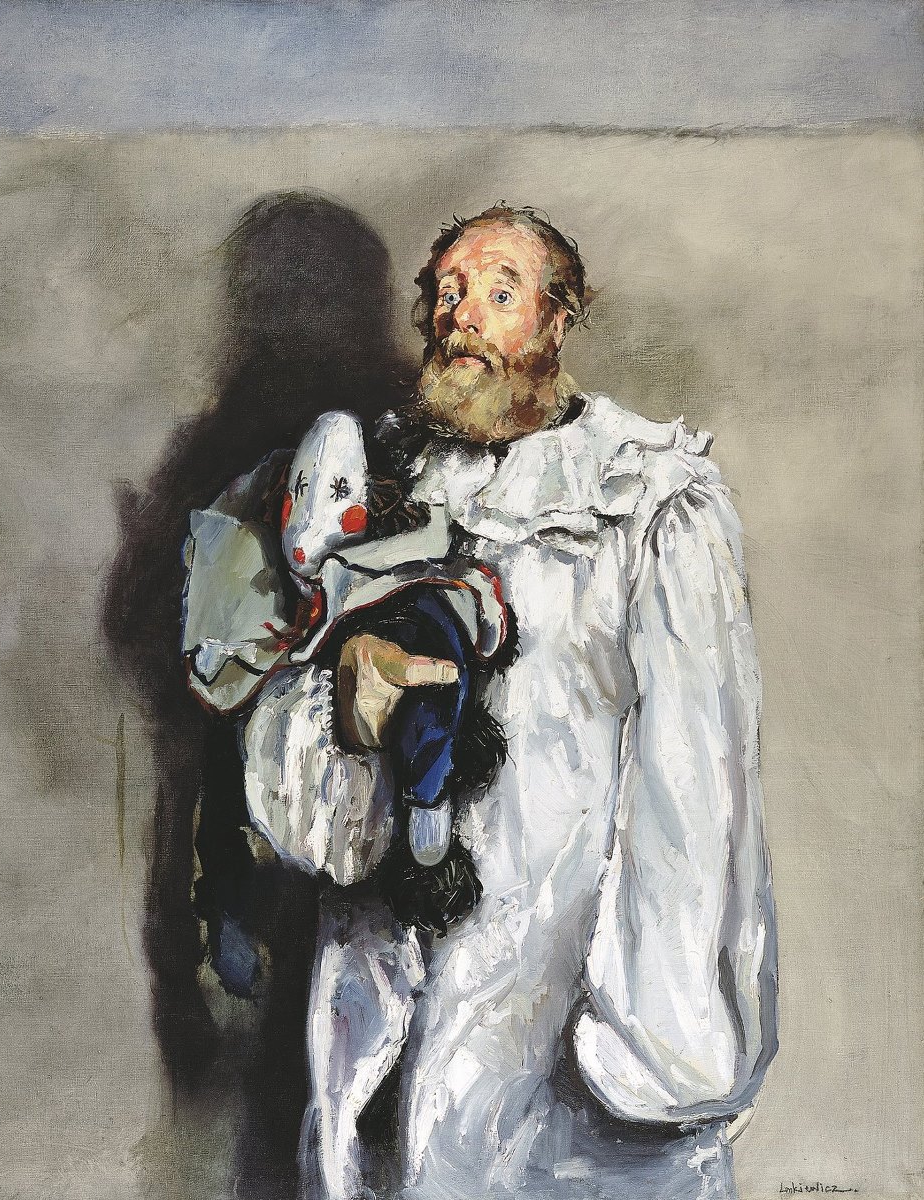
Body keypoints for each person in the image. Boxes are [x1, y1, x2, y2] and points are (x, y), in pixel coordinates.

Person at [182, 205, 778, 1199]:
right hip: (388, 996)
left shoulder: (648, 502)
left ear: (558, 319)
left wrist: (657, 1043)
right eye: (448, 293)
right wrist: (346, 711)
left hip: (563, 1016)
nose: (462, 316)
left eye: (499, 292)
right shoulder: (371, 483)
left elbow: (694, 783)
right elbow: (290, 778)